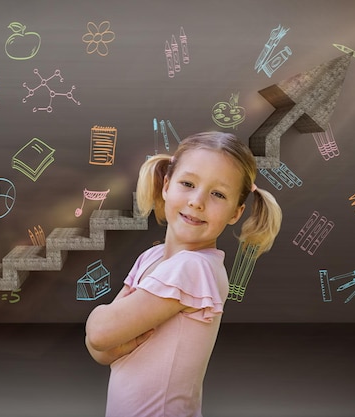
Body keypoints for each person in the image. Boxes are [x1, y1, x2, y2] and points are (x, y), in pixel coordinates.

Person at [85, 131, 282, 417]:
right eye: (188, 183)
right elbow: (103, 351)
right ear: (166, 185)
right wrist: (105, 335)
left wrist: (96, 319)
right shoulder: (151, 258)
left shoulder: (194, 268)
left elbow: (100, 334)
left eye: (218, 194)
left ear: (236, 213)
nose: (197, 201)